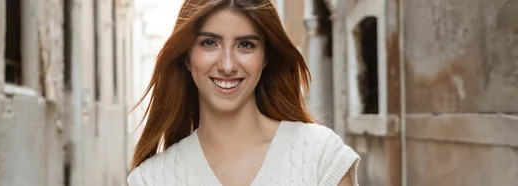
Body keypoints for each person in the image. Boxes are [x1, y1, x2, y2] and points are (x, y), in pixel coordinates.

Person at [127, 0, 360, 185]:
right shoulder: (153, 179)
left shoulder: (321, 156)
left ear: (265, 56)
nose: (227, 66)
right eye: (209, 43)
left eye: (246, 45)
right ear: (187, 56)